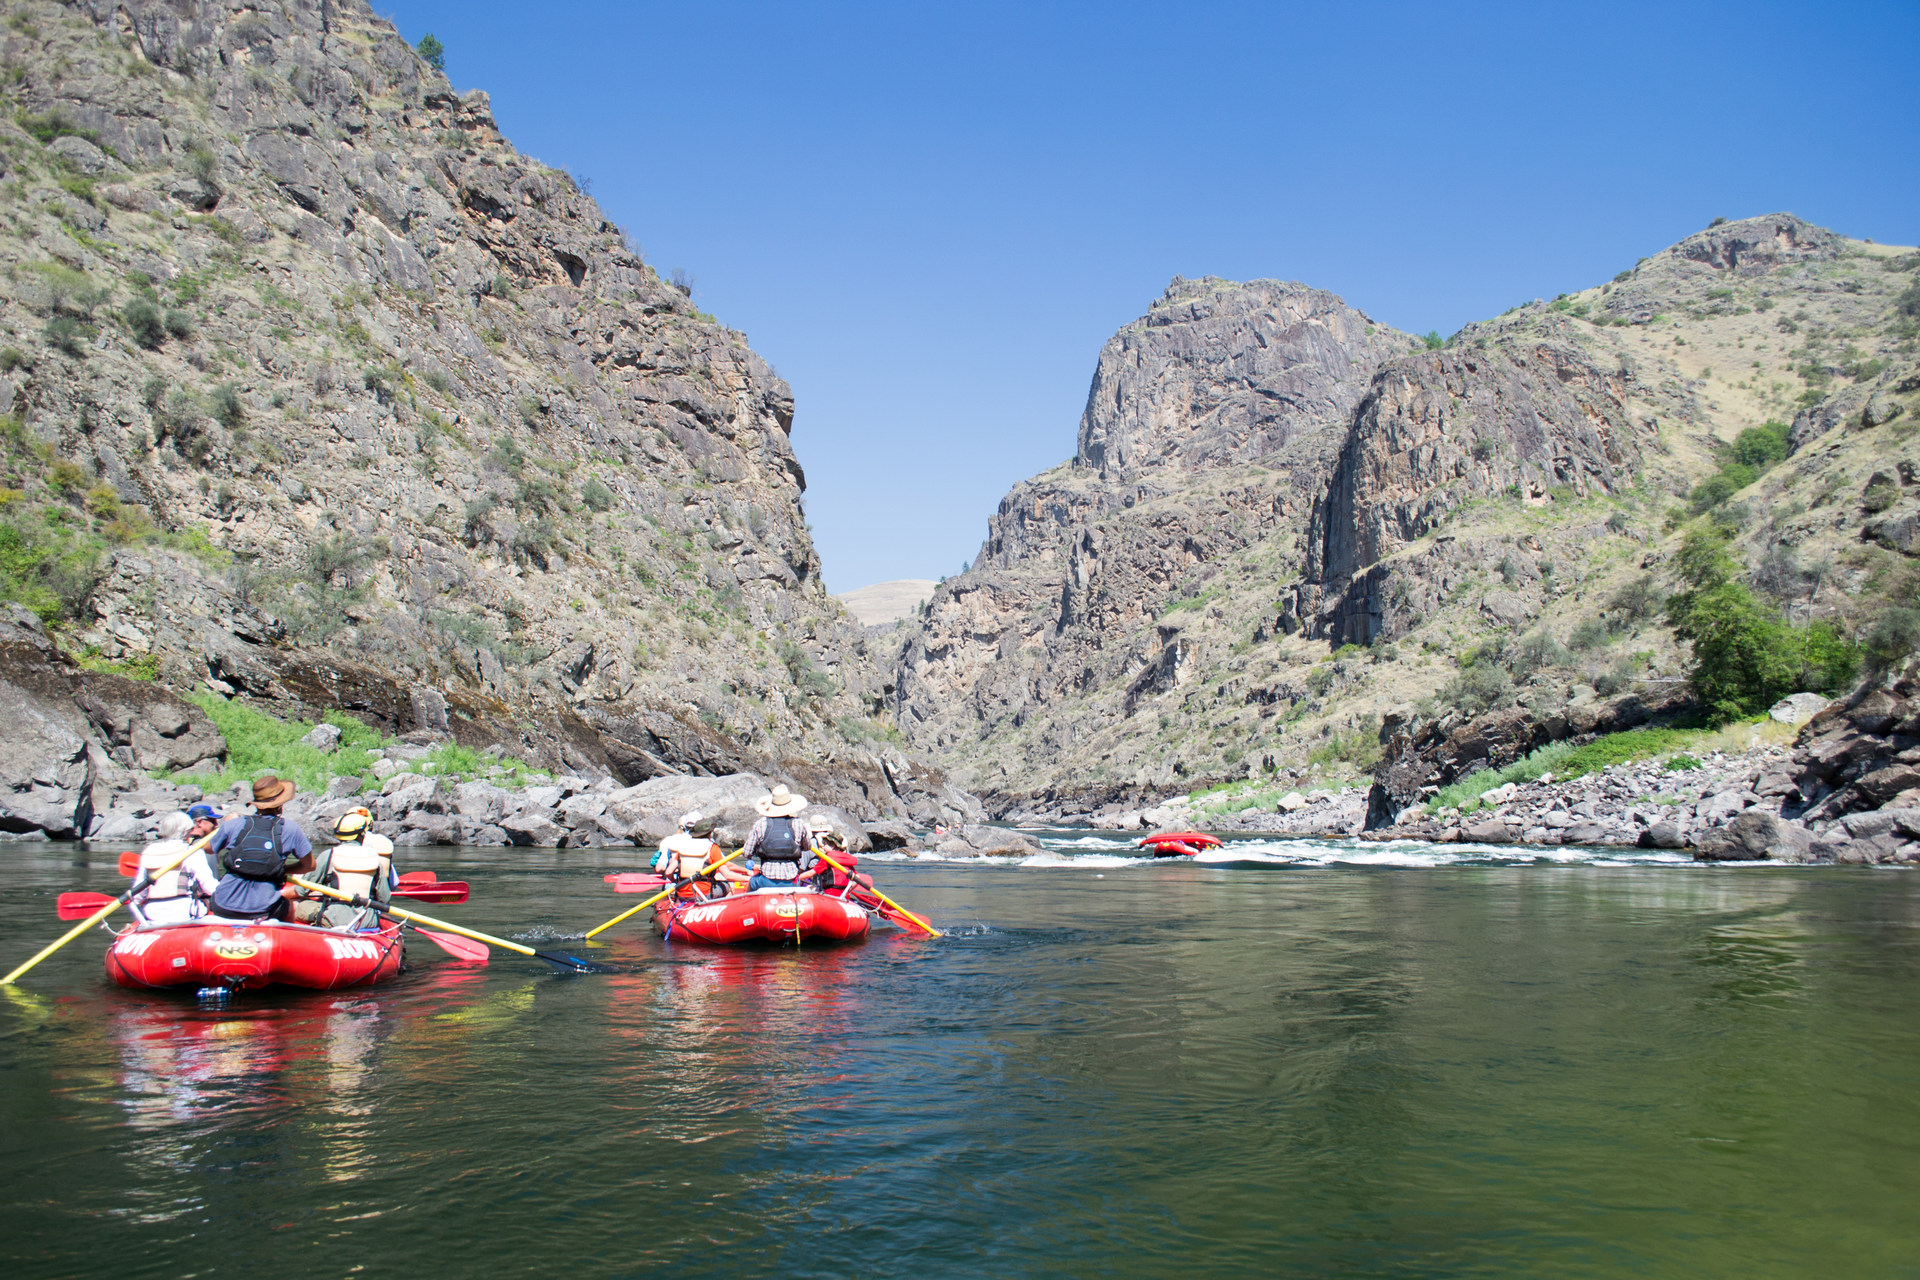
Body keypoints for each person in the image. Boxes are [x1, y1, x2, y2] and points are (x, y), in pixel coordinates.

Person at [206, 776, 315, 921]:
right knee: (289, 906)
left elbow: (209, 849)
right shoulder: (290, 829)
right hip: (263, 909)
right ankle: (282, 938)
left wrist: (224, 827)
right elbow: (309, 866)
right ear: (281, 803)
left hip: (223, 904)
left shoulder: (234, 824)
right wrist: (280, 869)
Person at [296, 808, 396, 927]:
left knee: (297, 905)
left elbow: (301, 890)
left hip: (334, 920)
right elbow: (384, 899)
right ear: (362, 834)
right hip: (367, 921)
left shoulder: (328, 856)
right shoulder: (375, 859)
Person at [128, 811, 221, 924]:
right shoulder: (192, 852)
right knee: (209, 902)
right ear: (186, 831)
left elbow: (137, 897)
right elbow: (210, 888)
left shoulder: (149, 853)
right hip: (184, 912)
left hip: (153, 914)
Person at [743, 785, 815, 891]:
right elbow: (807, 847)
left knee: (752, 881)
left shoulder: (761, 823)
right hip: (791, 880)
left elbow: (746, 853)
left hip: (766, 879)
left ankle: (749, 904)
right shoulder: (798, 823)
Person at [657, 812, 734, 901]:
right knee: (728, 886)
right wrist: (748, 877)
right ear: (710, 833)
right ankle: (719, 909)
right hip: (703, 893)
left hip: (681, 892)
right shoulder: (712, 847)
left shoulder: (682, 846)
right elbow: (727, 874)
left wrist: (675, 882)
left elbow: (667, 872)